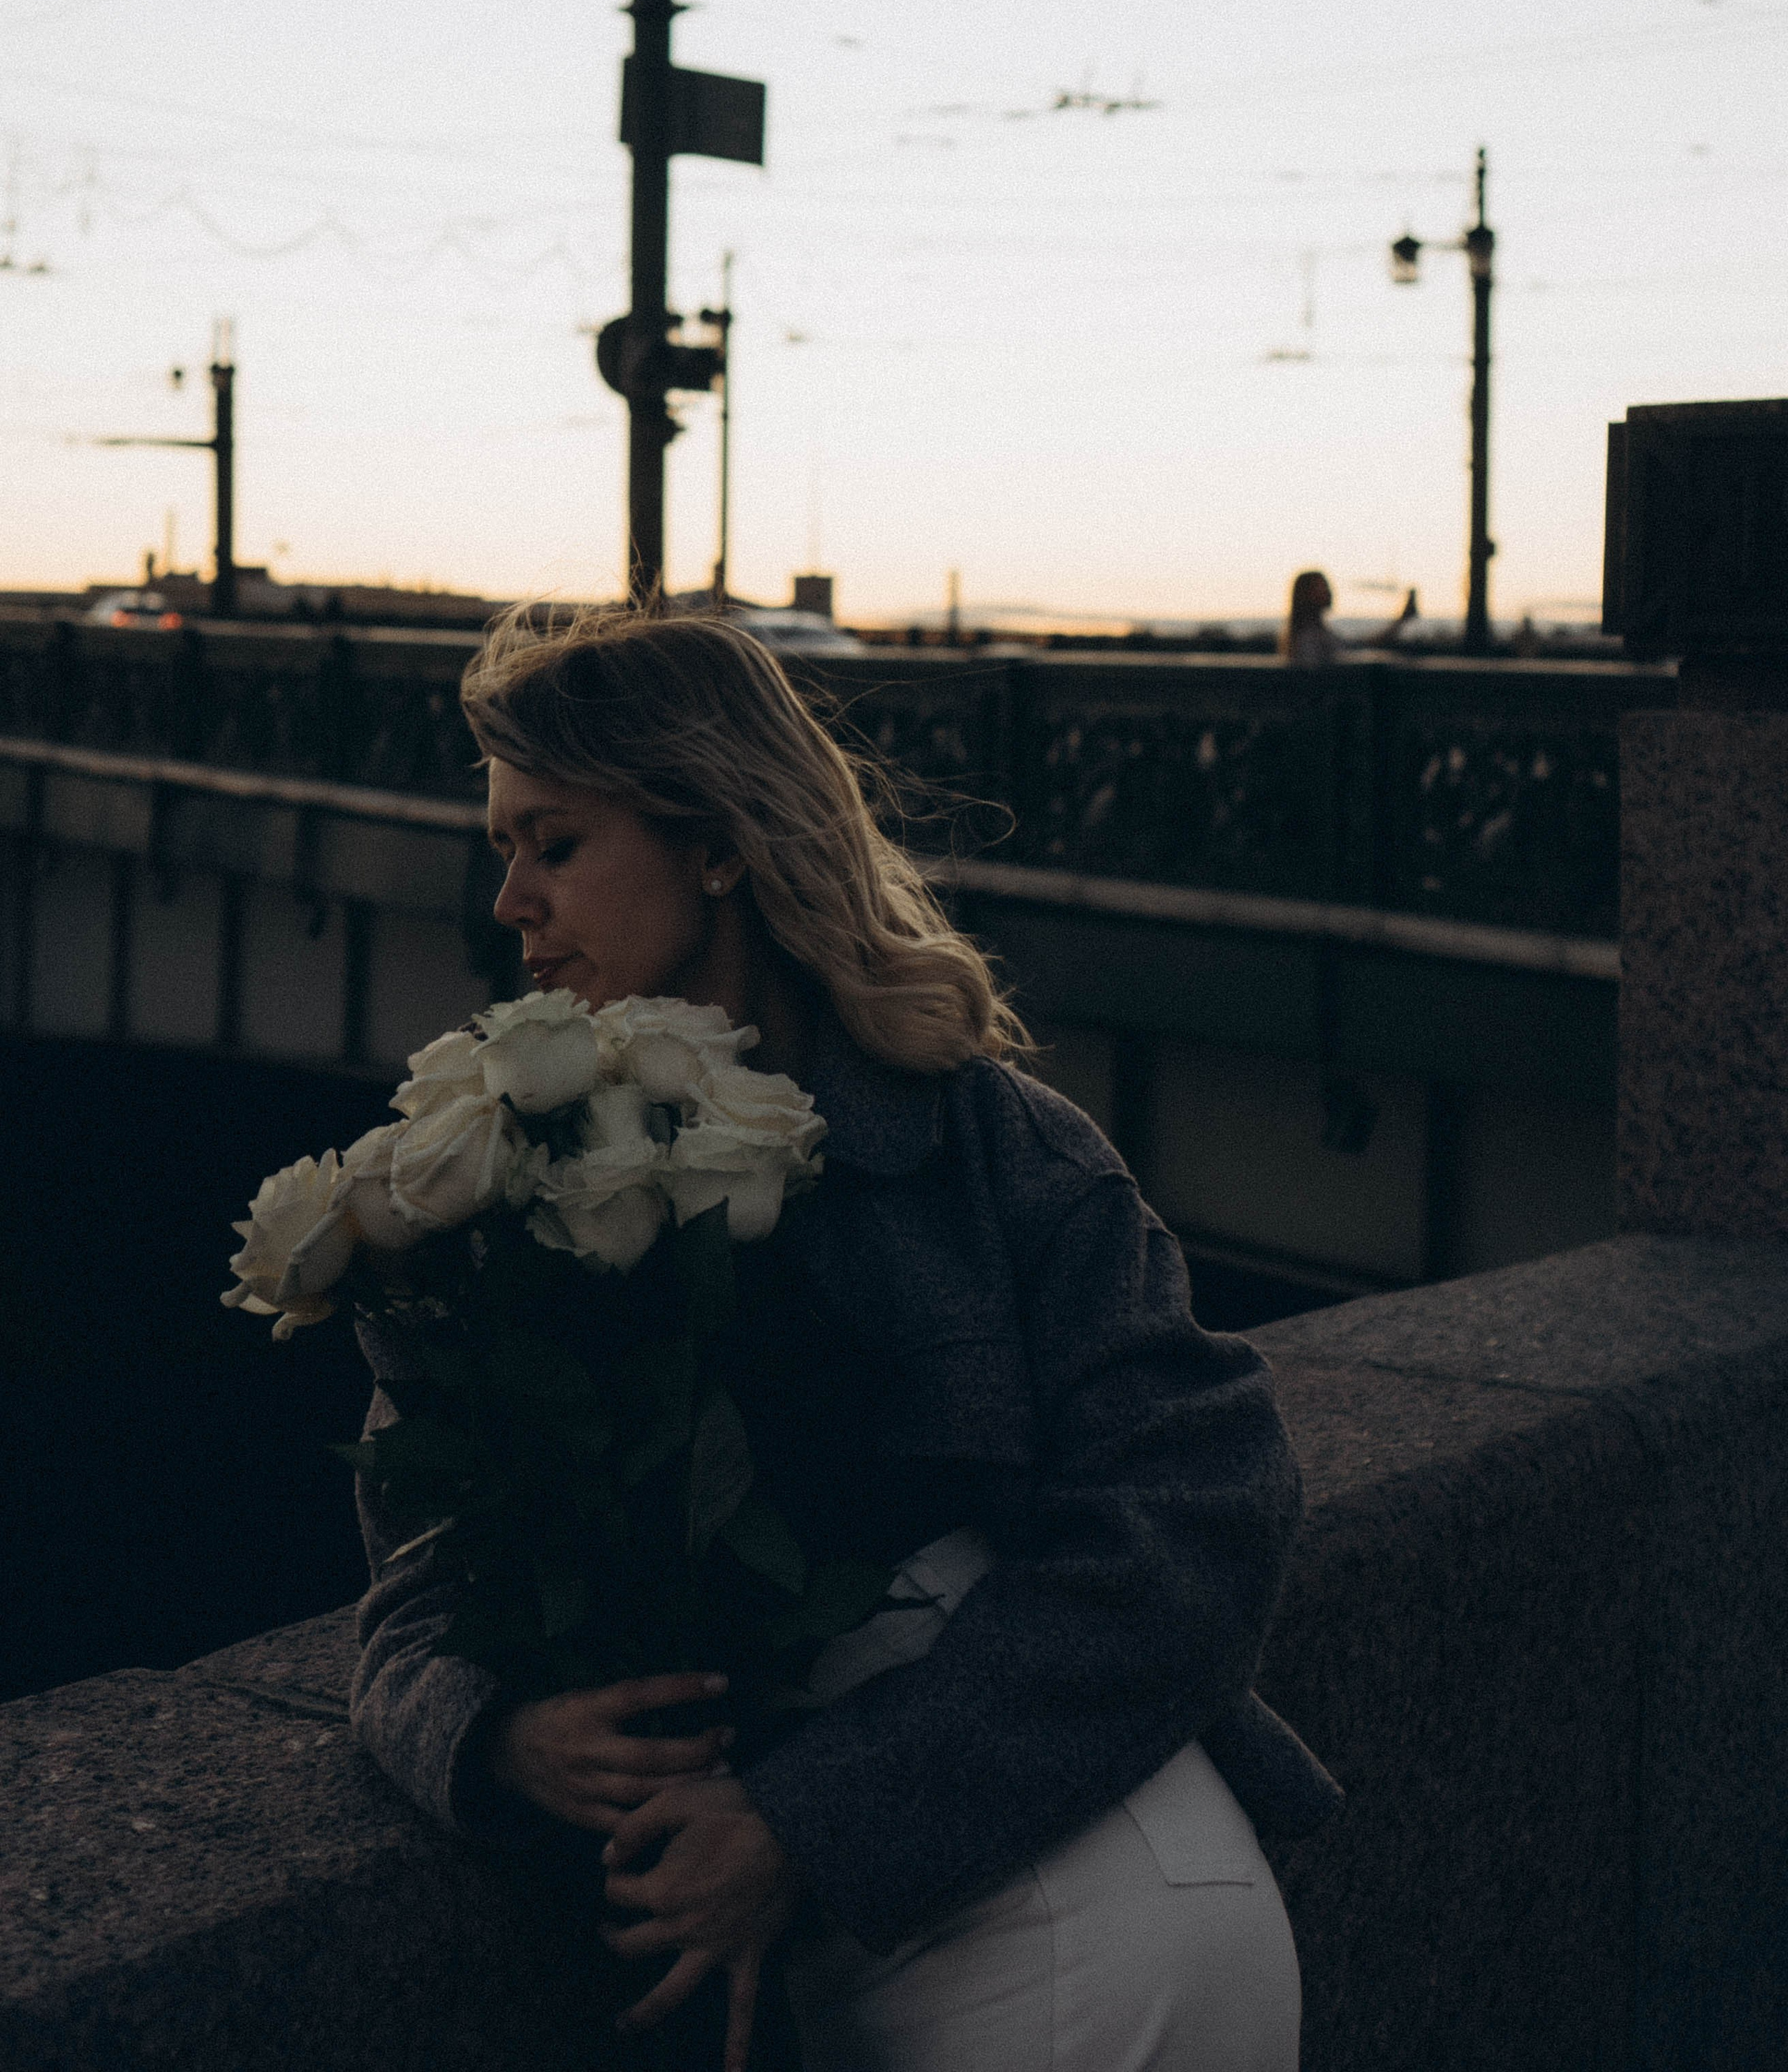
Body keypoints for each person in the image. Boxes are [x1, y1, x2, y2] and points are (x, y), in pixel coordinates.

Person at [350, 605, 1341, 2071]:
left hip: (1090, 1930)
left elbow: (1202, 1511)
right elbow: (411, 1593)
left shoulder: (992, 1149)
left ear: (718, 844)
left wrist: (815, 1819)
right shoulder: (496, 1191)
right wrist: (493, 1736)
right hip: (838, 1958)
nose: (509, 901)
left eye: (553, 844)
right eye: (502, 847)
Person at [1282, 569, 1418, 665]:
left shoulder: (1316, 633)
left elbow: (1356, 646)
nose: (1329, 592)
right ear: (1306, 595)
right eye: (1322, 587)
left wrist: (1401, 621)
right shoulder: (1308, 637)